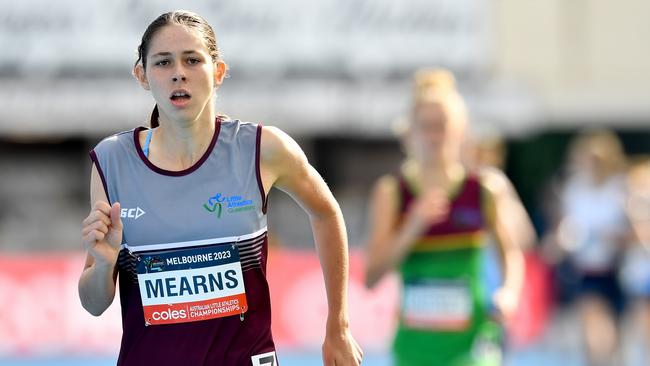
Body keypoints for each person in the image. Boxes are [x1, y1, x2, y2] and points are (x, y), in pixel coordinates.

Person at [78, 10, 362, 366]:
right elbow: (93, 304)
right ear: (142, 75)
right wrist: (104, 265)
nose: (179, 72)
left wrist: (338, 324)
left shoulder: (262, 149)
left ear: (218, 72)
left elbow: (325, 211)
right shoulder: (112, 161)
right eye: (163, 62)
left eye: (192, 60)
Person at [364, 68, 525, 366]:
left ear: (460, 131)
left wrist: (509, 294)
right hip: (414, 348)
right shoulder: (392, 193)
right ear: (409, 133)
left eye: (442, 125)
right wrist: (413, 226)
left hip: (473, 345)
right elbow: (371, 277)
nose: (434, 136)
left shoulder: (484, 189)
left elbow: (510, 254)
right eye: (425, 126)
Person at [544, 130, 630, 366]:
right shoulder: (574, 189)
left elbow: (633, 230)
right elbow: (563, 227)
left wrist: (610, 236)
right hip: (584, 268)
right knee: (592, 322)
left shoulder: (620, 188)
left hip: (616, 269)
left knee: (613, 333)